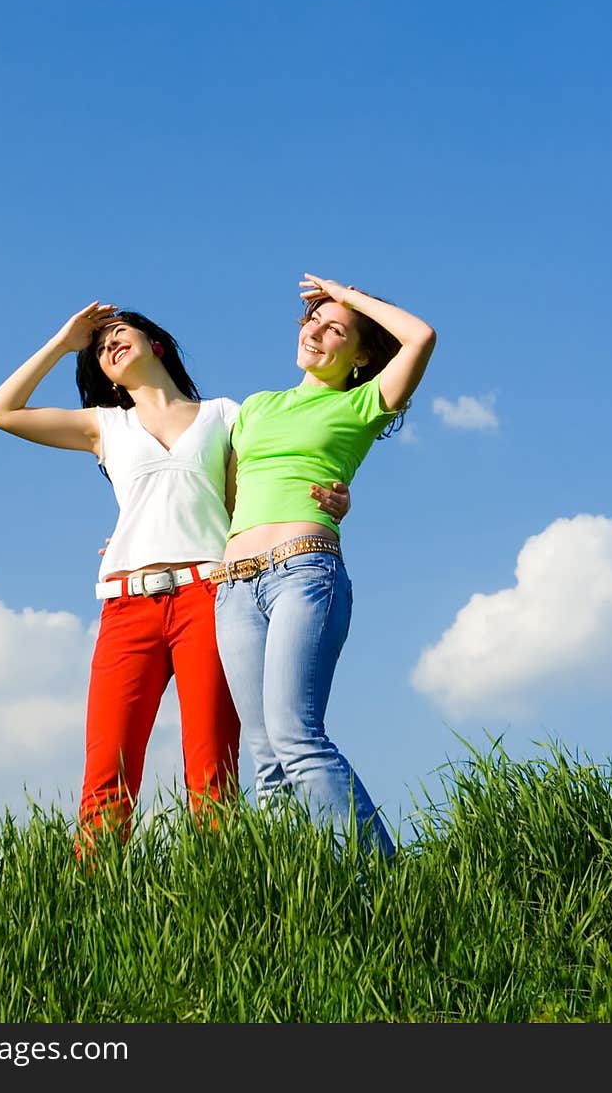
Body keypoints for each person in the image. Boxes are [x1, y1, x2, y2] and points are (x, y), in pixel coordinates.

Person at [0, 301, 350, 845]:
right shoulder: (104, 426)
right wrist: (63, 343)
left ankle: (215, 893)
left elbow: (276, 470)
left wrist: (333, 499)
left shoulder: (227, 414)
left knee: (212, 770)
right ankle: (91, 903)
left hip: (211, 596)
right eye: (99, 346)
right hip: (127, 606)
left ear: (157, 344)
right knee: (108, 770)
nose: (107, 345)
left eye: (118, 333)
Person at [212, 272, 437, 858]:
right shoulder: (257, 408)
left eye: (335, 329)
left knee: (296, 737)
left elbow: (420, 337)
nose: (315, 330)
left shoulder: (363, 404)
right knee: (264, 762)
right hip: (234, 588)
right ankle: (302, 901)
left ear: (360, 356)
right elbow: (225, 495)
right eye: (312, 319)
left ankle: (389, 883)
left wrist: (346, 294)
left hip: (304, 575)